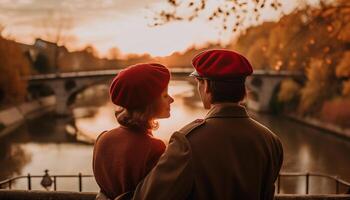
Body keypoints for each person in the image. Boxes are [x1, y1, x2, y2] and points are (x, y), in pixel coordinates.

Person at [132, 49, 284, 200]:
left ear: (206, 86)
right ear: (243, 89)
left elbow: (148, 196)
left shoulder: (187, 142)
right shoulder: (271, 140)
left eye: (199, 82)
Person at [92, 63, 174, 200]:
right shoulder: (154, 147)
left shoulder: (103, 138)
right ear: (149, 104)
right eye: (165, 96)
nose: (172, 99)